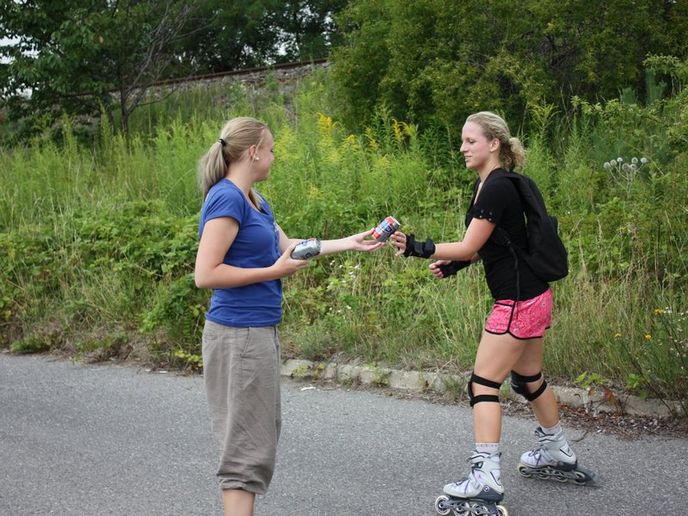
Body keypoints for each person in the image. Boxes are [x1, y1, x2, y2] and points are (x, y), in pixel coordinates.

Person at [390, 111, 593, 513]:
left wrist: (418, 246)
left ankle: (485, 477)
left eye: (470, 141)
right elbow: (493, 243)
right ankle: (558, 452)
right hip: (533, 298)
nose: (463, 148)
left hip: (517, 302)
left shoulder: (496, 187)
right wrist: (456, 265)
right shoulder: (492, 184)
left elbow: (468, 244)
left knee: (483, 384)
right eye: (463, 141)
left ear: (494, 144)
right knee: (528, 378)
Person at [194, 116, 383, 516]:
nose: (275, 157)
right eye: (273, 149)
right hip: (237, 333)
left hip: (258, 332)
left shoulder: (255, 200)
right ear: (253, 152)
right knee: (244, 450)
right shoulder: (226, 197)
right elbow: (206, 274)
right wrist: (274, 272)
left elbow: (291, 246)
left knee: (257, 441)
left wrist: (349, 243)